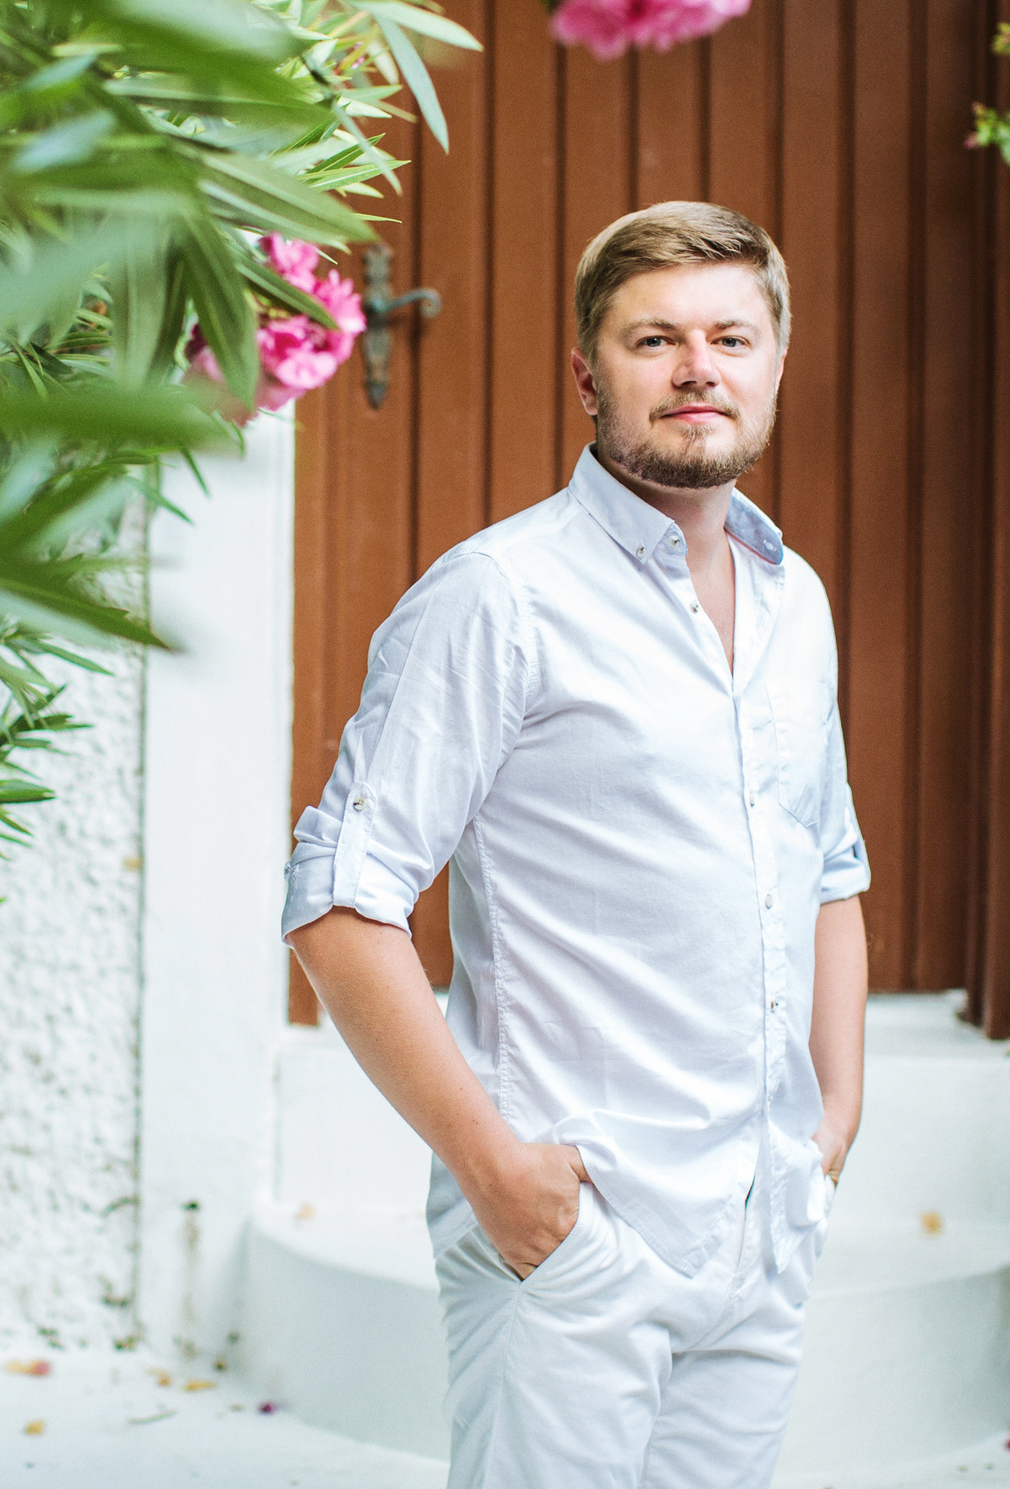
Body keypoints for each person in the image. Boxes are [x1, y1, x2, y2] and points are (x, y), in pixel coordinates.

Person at [281, 201, 869, 1489]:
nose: (698, 368)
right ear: (588, 371)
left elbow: (830, 865)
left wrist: (833, 1118)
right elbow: (339, 906)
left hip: (763, 1231)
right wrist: (499, 1177)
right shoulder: (500, 597)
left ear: (776, 360)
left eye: (732, 335)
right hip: (577, 1236)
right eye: (654, 338)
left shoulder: (796, 600)